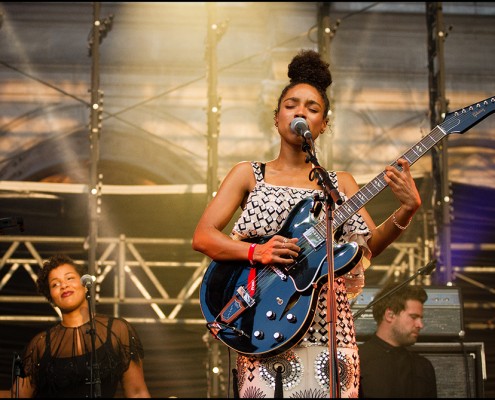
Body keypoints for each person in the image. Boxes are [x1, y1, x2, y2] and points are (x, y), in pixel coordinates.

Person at [192, 49, 421, 397]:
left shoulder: (339, 184)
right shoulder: (249, 174)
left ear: (324, 124)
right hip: (263, 324)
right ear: (276, 117)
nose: (301, 111)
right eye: (291, 104)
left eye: (312, 108)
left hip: (330, 330)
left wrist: (407, 209)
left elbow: (370, 245)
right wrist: (259, 251)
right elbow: (203, 237)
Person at [0, 254, 151, 398]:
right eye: (55, 284)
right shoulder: (40, 345)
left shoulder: (117, 330)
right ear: (51, 297)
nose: (64, 285)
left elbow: (137, 392)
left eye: (69, 278)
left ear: (85, 286)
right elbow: (17, 395)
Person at [358, 282, 437, 398]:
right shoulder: (355, 361)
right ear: (390, 315)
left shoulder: (423, 367)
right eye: (414, 317)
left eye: (420, 318)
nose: (420, 325)